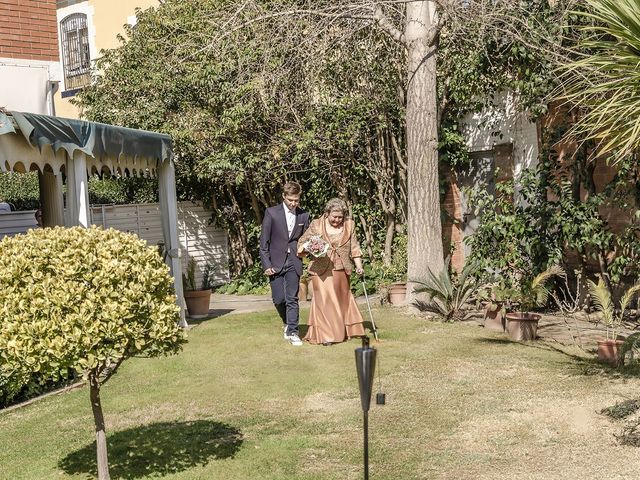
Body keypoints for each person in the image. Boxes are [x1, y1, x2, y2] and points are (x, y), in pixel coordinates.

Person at [297, 198, 366, 345]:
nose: (337, 220)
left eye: (340, 217)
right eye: (334, 217)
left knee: (341, 301)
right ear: (327, 213)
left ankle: (344, 330)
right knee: (325, 301)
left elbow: (355, 248)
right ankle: (327, 336)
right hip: (321, 270)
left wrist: (359, 266)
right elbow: (302, 242)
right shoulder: (317, 224)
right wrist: (310, 247)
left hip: (341, 268)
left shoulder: (349, 225)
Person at [259, 181, 310, 346]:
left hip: (294, 261)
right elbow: (264, 243)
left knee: (292, 298)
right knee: (278, 299)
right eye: (290, 200)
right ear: (284, 197)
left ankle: (294, 331)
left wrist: (310, 248)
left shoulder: (303, 215)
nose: (294, 204)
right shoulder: (271, 213)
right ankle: (288, 323)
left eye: (296, 200)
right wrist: (267, 265)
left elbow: (307, 239)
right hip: (275, 262)